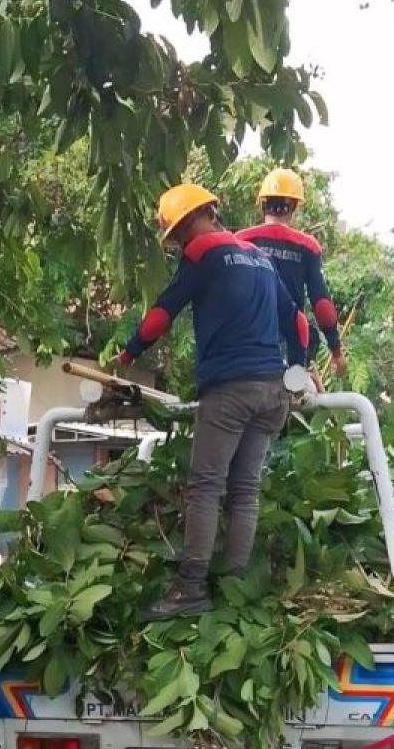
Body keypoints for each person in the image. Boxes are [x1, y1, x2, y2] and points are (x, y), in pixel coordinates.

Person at [116, 184, 309, 620]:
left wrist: (128, 354)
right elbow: (298, 322)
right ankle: (235, 584)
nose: (179, 244)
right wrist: (299, 368)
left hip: (231, 389)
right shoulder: (259, 257)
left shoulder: (203, 252)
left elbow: (163, 312)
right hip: (273, 389)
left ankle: (190, 589)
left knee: (205, 486)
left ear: (186, 222)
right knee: (245, 491)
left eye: (176, 234)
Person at [237, 168, 347, 379]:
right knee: (292, 403)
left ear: (262, 204)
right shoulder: (307, 246)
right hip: (292, 346)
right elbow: (322, 303)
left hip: (244, 345)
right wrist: (336, 351)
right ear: (294, 206)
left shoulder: (240, 241)